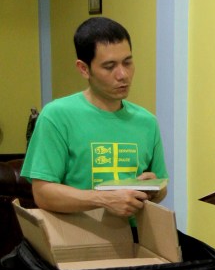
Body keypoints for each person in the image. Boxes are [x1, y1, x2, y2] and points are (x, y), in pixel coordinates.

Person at [22, 17, 168, 218]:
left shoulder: (147, 122)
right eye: (109, 66)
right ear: (84, 69)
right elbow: (42, 193)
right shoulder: (57, 115)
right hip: (77, 232)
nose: (123, 74)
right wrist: (103, 199)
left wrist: (154, 190)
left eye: (127, 62)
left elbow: (162, 187)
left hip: (134, 233)